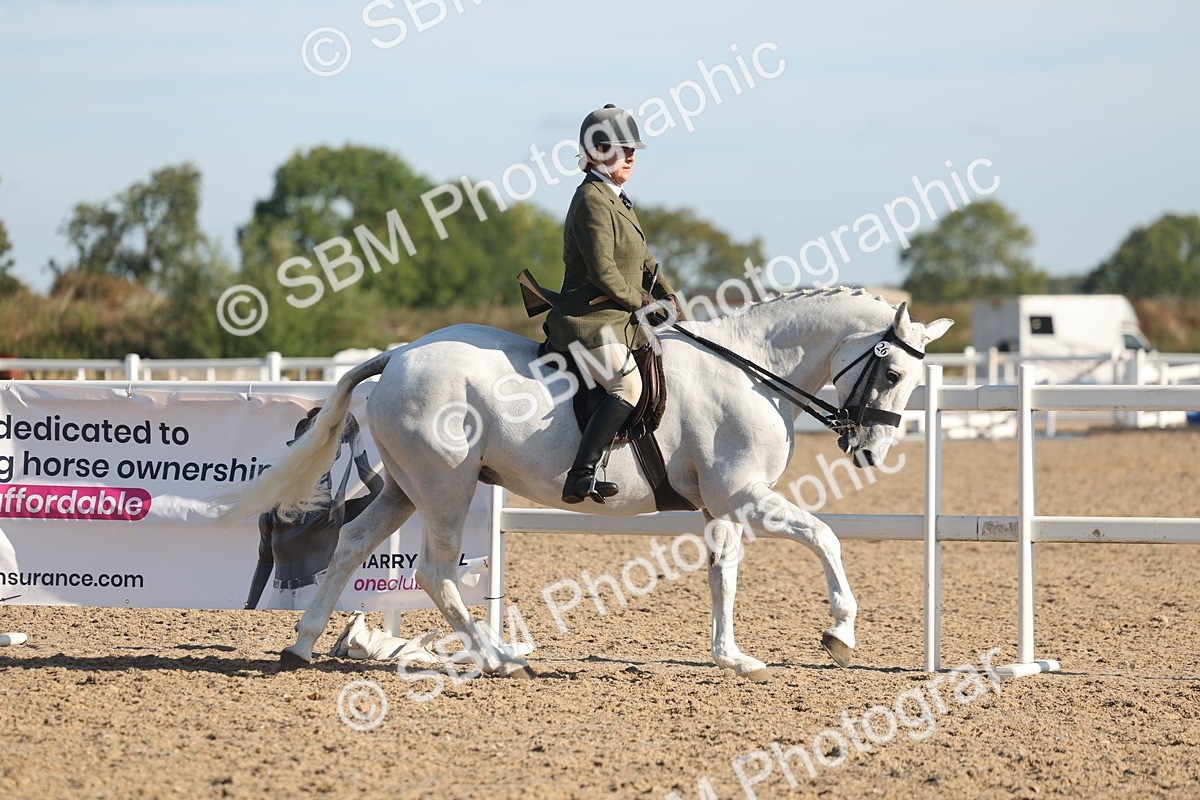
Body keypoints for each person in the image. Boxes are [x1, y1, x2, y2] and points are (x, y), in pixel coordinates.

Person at [546, 104, 680, 504]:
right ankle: (580, 475)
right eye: (623, 149)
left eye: (632, 149)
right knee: (627, 383)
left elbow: (644, 260)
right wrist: (642, 300)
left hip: (619, 318)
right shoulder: (591, 199)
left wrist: (668, 295)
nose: (632, 156)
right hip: (589, 319)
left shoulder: (617, 199)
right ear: (598, 152)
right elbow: (604, 271)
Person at [244, 409, 383, 610]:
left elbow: (379, 495)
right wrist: (250, 606)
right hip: (279, 595)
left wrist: (358, 451)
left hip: (317, 593)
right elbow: (266, 560)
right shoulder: (274, 509)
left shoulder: (334, 511)